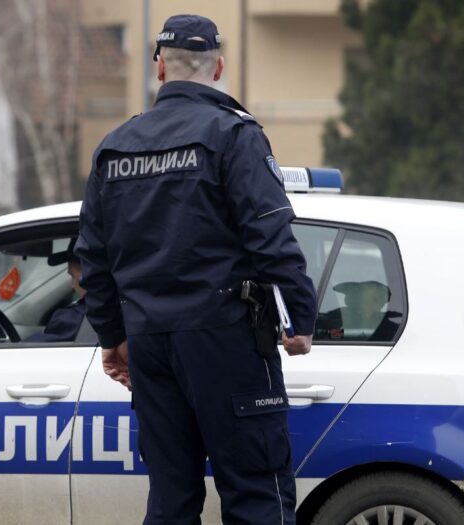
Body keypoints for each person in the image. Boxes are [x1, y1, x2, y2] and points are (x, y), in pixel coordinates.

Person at [75, 14, 317, 525]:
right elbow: (270, 237)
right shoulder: (234, 135)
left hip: (150, 346)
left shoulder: (115, 147)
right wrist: (299, 318)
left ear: (159, 68)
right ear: (219, 67)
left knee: (171, 501)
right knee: (257, 494)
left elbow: (92, 257)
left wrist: (114, 337)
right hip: (225, 339)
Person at [25, 238, 87, 343]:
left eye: (72, 276)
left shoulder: (72, 320)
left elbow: (26, 349)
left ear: (87, 274)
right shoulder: (115, 309)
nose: (72, 286)